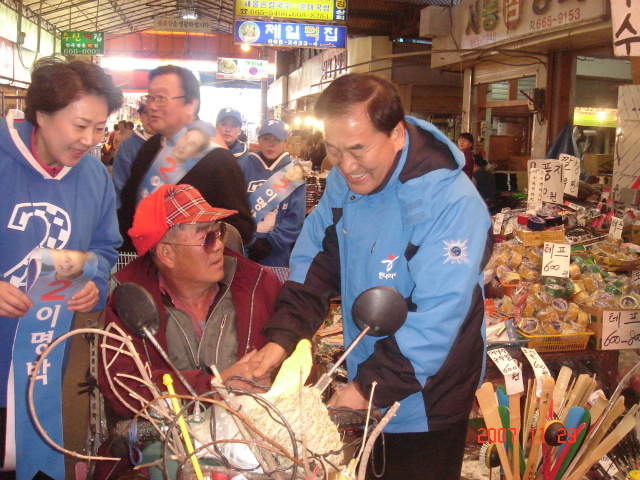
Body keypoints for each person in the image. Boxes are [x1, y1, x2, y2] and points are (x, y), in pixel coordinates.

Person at [251, 74, 492, 480]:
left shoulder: (451, 202)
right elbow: (316, 261)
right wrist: (281, 340)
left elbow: (437, 315)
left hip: (428, 396)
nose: (346, 167)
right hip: (369, 371)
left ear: (397, 134)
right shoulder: (345, 183)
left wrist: (367, 388)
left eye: (358, 150)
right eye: (333, 150)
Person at [96, 184, 281, 478]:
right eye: (206, 238)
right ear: (166, 254)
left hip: (257, 443)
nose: (219, 244)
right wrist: (214, 386)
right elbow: (124, 387)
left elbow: (295, 358)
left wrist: (271, 373)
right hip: (164, 447)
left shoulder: (260, 284)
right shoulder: (128, 301)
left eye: (219, 232)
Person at [0, 55, 123, 474]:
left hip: (47, 366)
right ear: (41, 115)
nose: (90, 139)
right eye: (80, 125)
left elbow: (106, 248)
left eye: (100, 128)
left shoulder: (94, 177)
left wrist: (95, 281)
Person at [118, 65, 255, 251]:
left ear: (191, 104)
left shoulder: (217, 158)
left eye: (162, 98)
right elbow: (129, 209)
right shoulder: (150, 148)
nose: (151, 106)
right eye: (150, 97)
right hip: (145, 264)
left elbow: (242, 227)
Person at [238, 119, 306, 267]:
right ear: (259, 139)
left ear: (285, 142)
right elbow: (236, 208)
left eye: (277, 139)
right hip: (246, 248)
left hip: (278, 254)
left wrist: (271, 243)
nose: (271, 144)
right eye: (266, 138)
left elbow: (296, 218)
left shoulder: (293, 172)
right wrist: (249, 239)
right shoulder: (244, 165)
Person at [112, 104, 157, 208]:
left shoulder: (172, 144)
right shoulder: (128, 145)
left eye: (155, 113)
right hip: (134, 212)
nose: (150, 117)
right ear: (140, 116)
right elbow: (119, 183)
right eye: (145, 113)